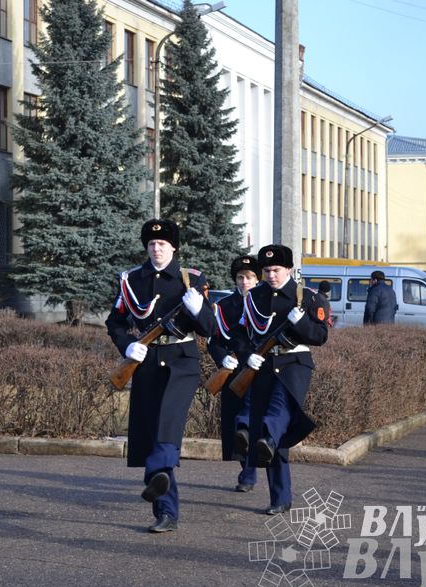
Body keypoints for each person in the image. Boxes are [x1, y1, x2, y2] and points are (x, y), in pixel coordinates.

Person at [105, 219, 215, 533]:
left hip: (181, 361)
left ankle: (156, 472)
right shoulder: (132, 280)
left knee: (168, 423)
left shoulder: (191, 279)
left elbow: (209, 329)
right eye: (152, 244)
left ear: (173, 247)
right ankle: (165, 513)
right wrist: (127, 346)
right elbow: (115, 322)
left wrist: (198, 310)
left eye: (163, 244)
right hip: (146, 361)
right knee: (151, 431)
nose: (156, 249)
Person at [235, 245, 329, 515]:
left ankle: (256, 440)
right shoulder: (253, 297)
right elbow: (241, 334)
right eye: (266, 271)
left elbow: (320, 336)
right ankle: (280, 498)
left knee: (278, 412)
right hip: (263, 363)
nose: (271, 275)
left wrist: (301, 323)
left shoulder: (307, 298)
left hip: (295, 363)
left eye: (276, 270)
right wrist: (247, 355)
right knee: (271, 436)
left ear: (288, 269)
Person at [207, 255, 261, 493]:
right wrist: (222, 358)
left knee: (252, 422)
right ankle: (246, 468)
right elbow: (214, 341)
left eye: (250, 277)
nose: (245, 282)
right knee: (236, 424)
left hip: (261, 368)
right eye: (240, 277)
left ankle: (250, 472)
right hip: (235, 370)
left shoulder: (266, 302)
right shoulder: (225, 306)